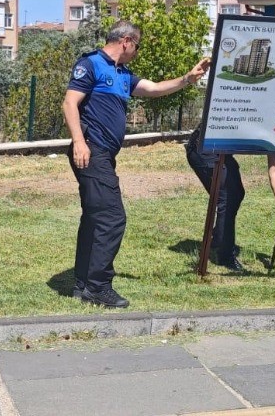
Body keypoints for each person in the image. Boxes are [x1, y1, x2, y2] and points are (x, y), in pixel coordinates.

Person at [62, 21, 210, 309]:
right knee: (112, 217)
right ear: (127, 41)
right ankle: (99, 286)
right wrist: (79, 142)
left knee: (94, 217)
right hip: (92, 152)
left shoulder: (122, 74)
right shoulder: (91, 64)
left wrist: (187, 79)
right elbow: (70, 103)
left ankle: (83, 283)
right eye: (137, 46)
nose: (137, 52)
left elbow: (153, 88)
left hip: (103, 154)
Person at [184, 130, 275, 272]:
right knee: (227, 197)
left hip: (223, 151)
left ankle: (217, 239)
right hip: (202, 148)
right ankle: (225, 255)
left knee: (237, 193)